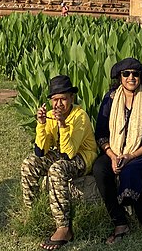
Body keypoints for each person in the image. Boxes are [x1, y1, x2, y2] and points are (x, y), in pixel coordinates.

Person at [21, 75, 98, 250]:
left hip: (82, 157)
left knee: (56, 170)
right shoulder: (50, 115)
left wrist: (62, 125)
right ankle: (31, 210)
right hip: (62, 153)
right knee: (29, 163)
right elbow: (40, 151)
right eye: (55, 100)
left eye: (63, 99)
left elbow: (68, 154)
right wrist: (41, 124)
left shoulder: (80, 116)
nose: (58, 104)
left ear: (72, 98)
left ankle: (63, 227)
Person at [93, 58, 142, 245]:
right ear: (119, 77)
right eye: (126, 74)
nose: (131, 77)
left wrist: (130, 156)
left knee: (130, 172)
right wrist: (113, 156)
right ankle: (119, 222)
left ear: (141, 77)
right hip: (114, 151)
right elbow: (100, 133)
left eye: (135, 74)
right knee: (100, 169)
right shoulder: (110, 98)